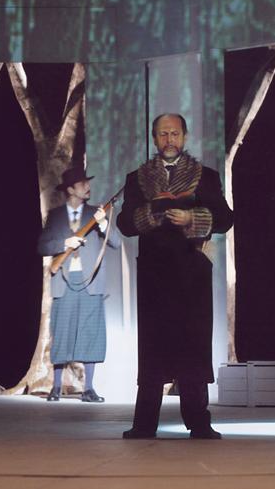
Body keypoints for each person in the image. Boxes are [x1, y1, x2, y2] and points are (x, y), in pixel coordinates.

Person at [117, 113, 233, 439]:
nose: (170, 140)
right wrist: (151, 215)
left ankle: (199, 422)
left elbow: (225, 218)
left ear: (185, 136)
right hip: (154, 277)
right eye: (163, 134)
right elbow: (124, 224)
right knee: (152, 349)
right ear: (154, 138)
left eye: (175, 133)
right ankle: (144, 424)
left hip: (191, 274)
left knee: (193, 347)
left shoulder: (205, 177)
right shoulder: (137, 178)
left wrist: (192, 217)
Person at [38, 167, 121, 403]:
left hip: (90, 283)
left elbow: (116, 242)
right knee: (62, 332)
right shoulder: (55, 215)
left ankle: (89, 388)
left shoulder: (95, 213)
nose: (88, 187)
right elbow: (42, 246)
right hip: (64, 282)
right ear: (71, 189)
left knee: (90, 334)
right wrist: (65, 243)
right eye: (83, 183)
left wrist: (103, 224)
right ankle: (56, 387)